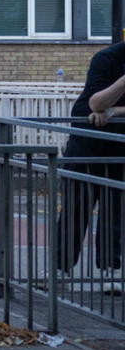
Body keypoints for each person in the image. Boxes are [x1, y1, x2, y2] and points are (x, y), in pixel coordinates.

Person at [56, 41, 125, 295]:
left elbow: (107, 109)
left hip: (118, 144)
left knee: (114, 209)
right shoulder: (106, 59)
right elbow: (96, 104)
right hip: (86, 141)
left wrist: (115, 111)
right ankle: (59, 267)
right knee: (76, 208)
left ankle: (109, 270)